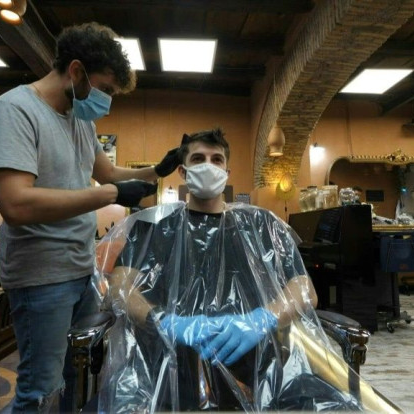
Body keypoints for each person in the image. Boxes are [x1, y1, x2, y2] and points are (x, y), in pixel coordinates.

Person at [0, 22, 182, 412]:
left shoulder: (80, 120)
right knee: (42, 389)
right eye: (104, 89)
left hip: (80, 271)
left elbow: (108, 174)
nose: (106, 100)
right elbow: (16, 204)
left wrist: (154, 171)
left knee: (79, 376)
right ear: (75, 71)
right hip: (41, 276)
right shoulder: (13, 112)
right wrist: (110, 195)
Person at [95, 128, 370, 412]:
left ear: (227, 170)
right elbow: (120, 289)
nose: (209, 166)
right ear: (182, 171)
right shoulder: (154, 227)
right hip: (170, 362)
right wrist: (165, 322)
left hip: (258, 363)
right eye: (198, 159)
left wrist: (262, 319)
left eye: (217, 160)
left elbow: (304, 291)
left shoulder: (262, 225)